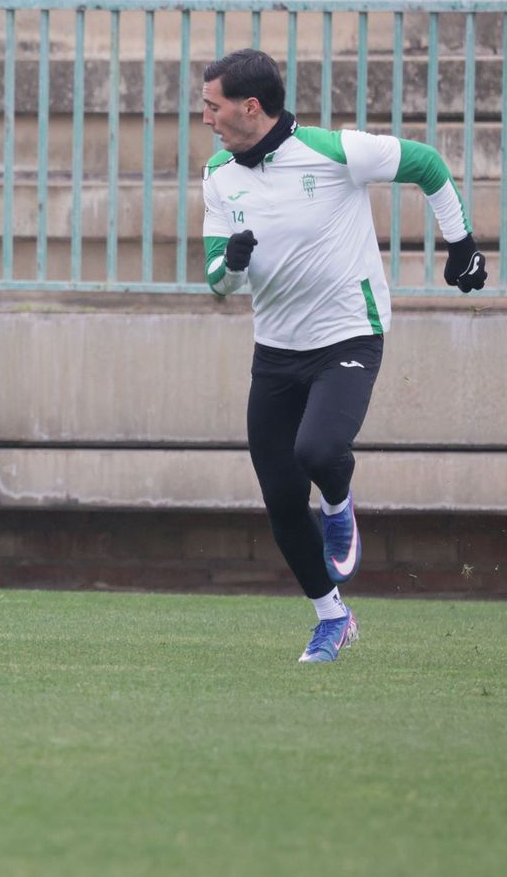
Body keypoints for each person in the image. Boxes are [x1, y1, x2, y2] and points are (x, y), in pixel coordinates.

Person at [199, 50, 488, 663]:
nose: (205, 118)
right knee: (279, 500)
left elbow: (428, 164)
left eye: (212, 105)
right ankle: (333, 618)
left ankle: (338, 504)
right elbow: (217, 281)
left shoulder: (335, 152)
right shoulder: (218, 173)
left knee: (319, 451)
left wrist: (460, 243)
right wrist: (236, 262)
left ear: (251, 107)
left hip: (350, 336)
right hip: (275, 351)